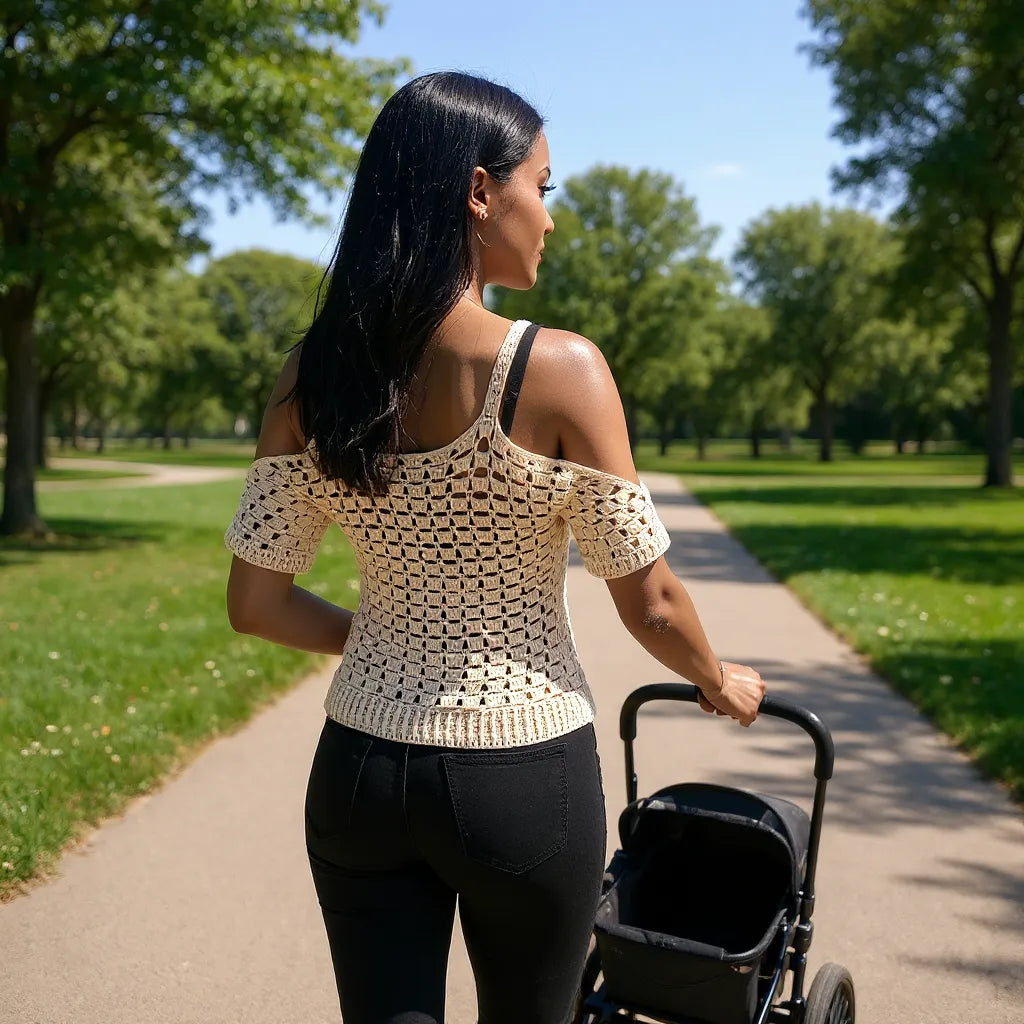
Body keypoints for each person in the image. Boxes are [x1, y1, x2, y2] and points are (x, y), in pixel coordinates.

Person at [222, 70, 766, 1024]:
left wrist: (388, 641)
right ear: (481, 191)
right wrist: (718, 681)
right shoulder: (559, 369)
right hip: (521, 773)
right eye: (542, 187)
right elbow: (652, 604)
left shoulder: (312, 373)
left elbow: (254, 604)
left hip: (358, 772)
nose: (549, 217)